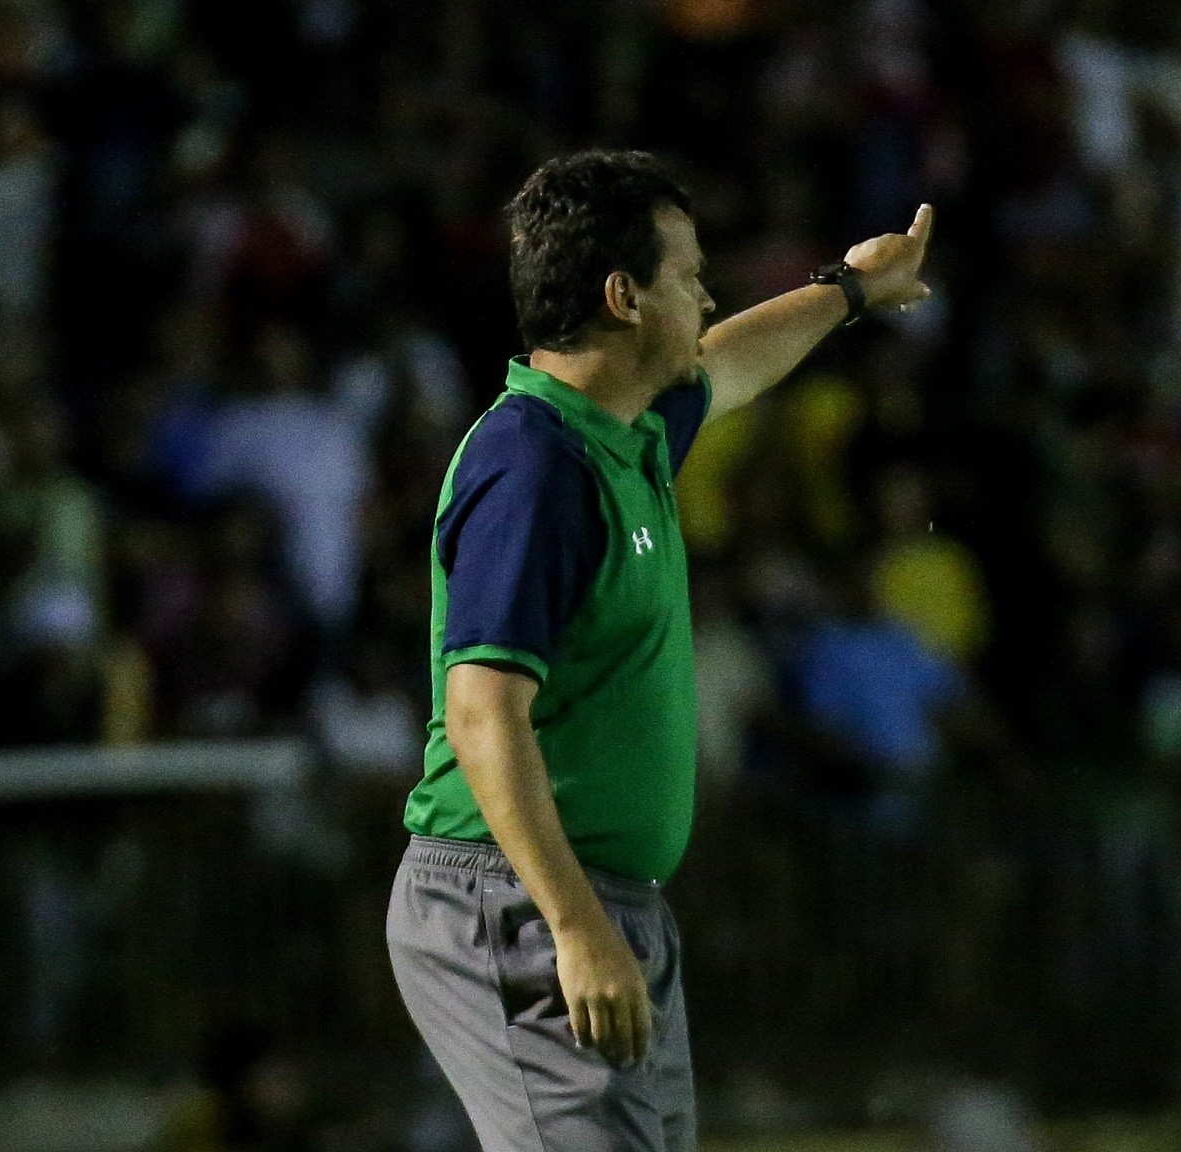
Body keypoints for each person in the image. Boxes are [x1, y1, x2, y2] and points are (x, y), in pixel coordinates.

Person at [385, 150, 933, 1151]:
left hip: (593, 901)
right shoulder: (535, 463)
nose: (706, 294)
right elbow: (481, 711)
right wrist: (573, 926)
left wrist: (849, 289)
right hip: (517, 901)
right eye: (687, 276)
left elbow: (728, 361)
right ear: (622, 296)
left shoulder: (619, 435)